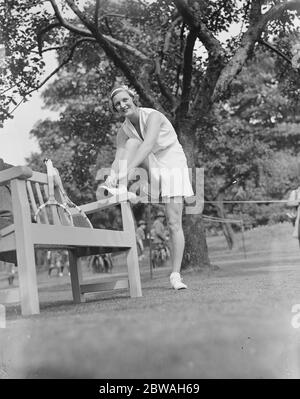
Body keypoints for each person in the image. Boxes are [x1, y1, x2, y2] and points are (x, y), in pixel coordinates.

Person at [104, 85, 194, 289]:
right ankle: (123, 189)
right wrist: (112, 176)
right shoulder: (123, 131)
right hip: (152, 162)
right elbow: (119, 158)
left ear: (133, 98)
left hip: (172, 160)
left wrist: (127, 172)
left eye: (125, 100)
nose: (122, 105)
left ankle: (175, 275)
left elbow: (148, 145)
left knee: (173, 222)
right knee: (131, 143)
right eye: (117, 104)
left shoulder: (152, 116)